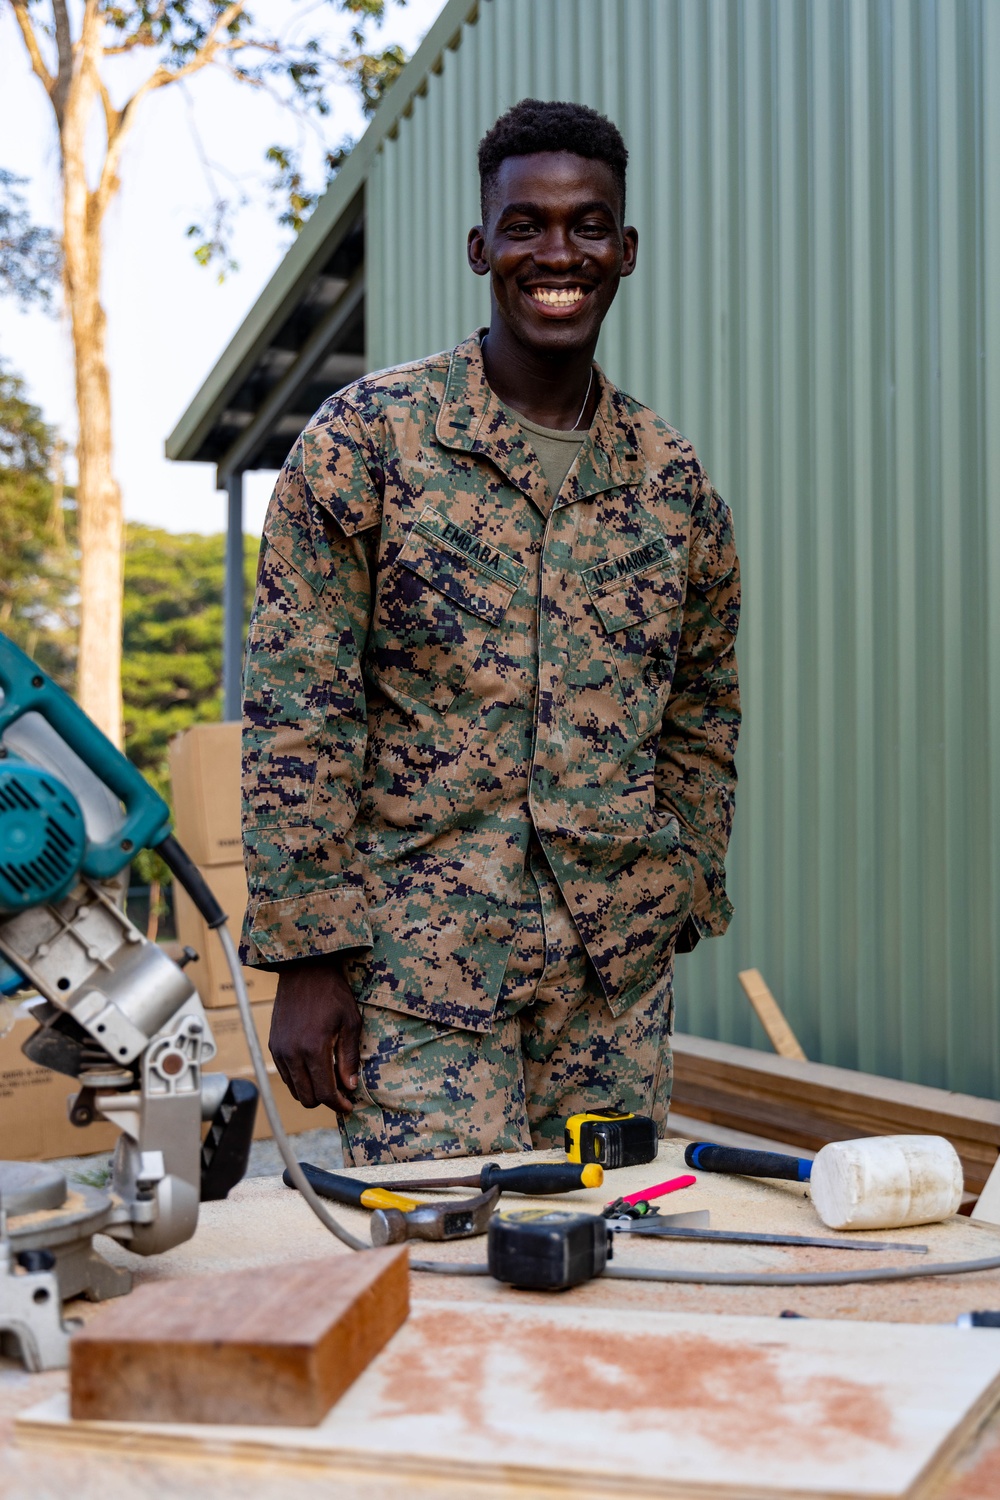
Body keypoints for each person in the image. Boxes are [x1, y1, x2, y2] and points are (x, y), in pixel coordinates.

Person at [240, 98, 740, 1166]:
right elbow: (297, 713)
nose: (557, 252)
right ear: (481, 246)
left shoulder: (672, 482)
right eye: (526, 226)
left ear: (625, 250)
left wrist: (679, 890)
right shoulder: (368, 444)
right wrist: (308, 956)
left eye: (587, 225)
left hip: (610, 985)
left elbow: (702, 708)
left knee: (605, 1272)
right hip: (422, 984)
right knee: (437, 1279)